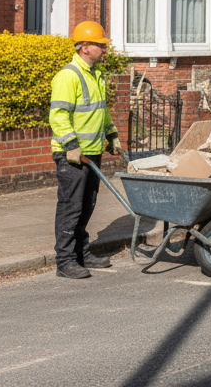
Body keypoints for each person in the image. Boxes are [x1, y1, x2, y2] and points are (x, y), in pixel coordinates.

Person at [50, 21, 122, 279]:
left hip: (92, 153)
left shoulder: (97, 75)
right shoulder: (68, 75)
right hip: (72, 156)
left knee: (87, 205)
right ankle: (65, 261)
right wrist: (71, 146)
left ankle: (81, 252)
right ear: (84, 47)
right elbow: (58, 116)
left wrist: (111, 134)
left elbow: (101, 112)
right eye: (100, 45)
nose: (104, 49)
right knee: (71, 207)